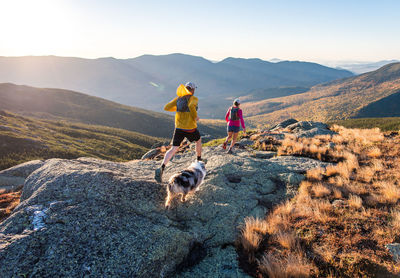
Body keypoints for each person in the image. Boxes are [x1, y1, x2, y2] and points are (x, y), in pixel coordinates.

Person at [155, 82, 204, 183]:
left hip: (179, 128)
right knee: (198, 140)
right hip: (190, 127)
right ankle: (199, 160)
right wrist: (195, 116)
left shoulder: (178, 99)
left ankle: (161, 168)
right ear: (193, 90)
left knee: (174, 148)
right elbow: (191, 106)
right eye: (194, 89)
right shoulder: (194, 99)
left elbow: (166, 107)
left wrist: (178, 108)